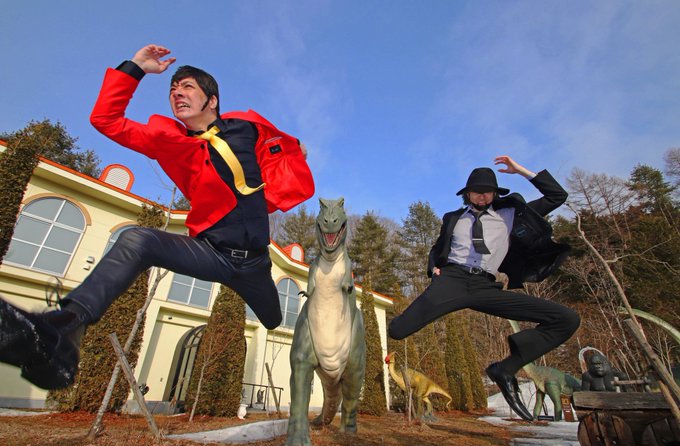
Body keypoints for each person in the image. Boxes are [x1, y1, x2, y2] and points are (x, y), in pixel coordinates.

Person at [0, 44, 314, 390]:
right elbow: (105, 120)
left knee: (272, 319)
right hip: (211, 252)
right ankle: (63, 328)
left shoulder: (245, 126)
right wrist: (135, 68)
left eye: (188, 87)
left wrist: (295, 150)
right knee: (137, 239)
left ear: (212, 100)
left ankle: (285, 318)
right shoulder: (168, 140)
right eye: (173, 90)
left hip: (255, 263)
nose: (177, 93)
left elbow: (280, 146)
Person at [388, 156, 580, 421]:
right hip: (451, 281)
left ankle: (505, 369)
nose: (482, 196)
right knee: (397, 330)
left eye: (487, 192)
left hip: (485, 286)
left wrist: (520, 171)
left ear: (494, 193)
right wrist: (434, 268)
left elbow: (557, 196)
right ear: (467, 194)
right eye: (477, 192)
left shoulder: (510, 214)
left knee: (567, 319)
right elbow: (438, 248)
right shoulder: (453, 218)